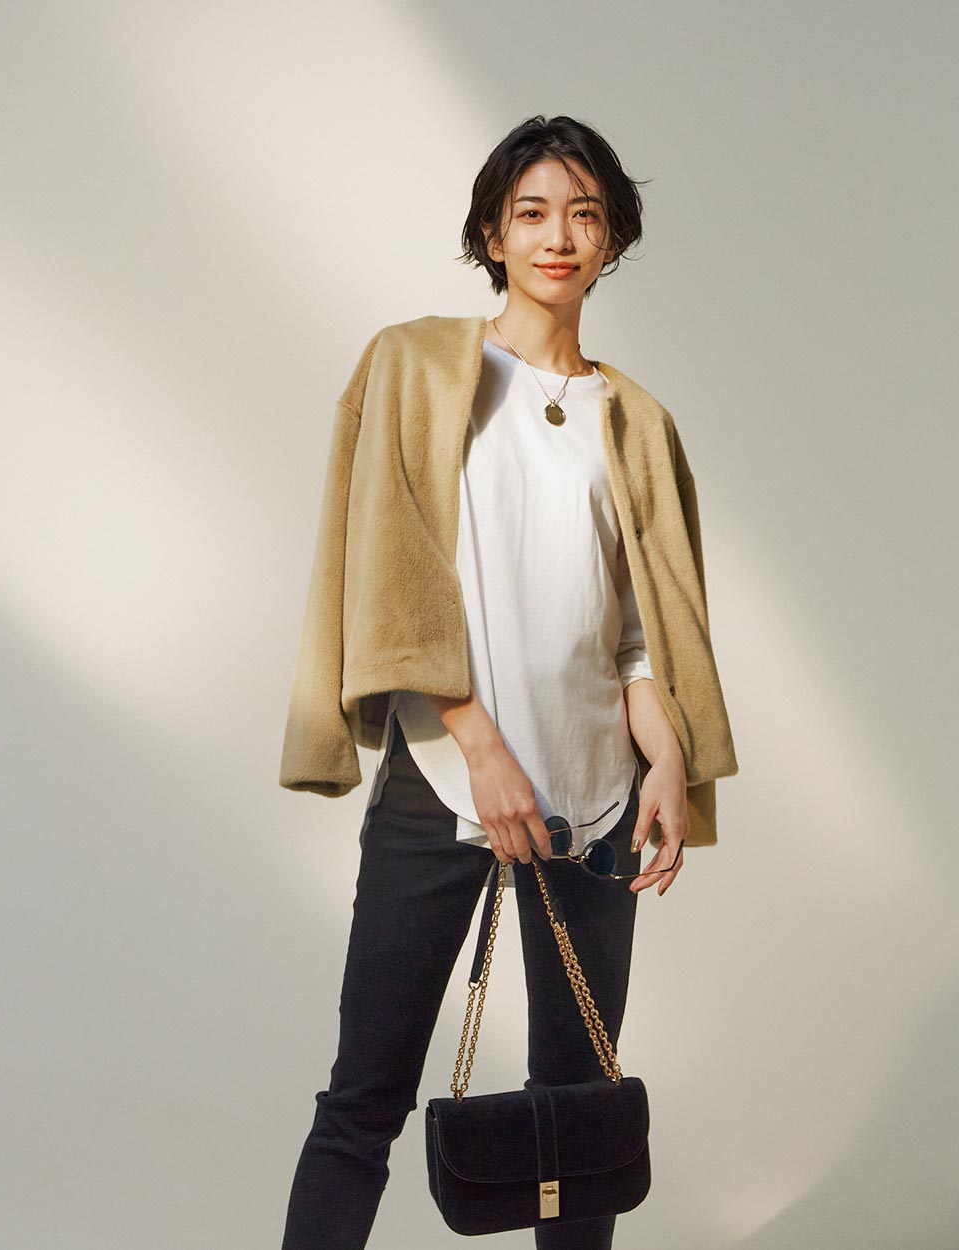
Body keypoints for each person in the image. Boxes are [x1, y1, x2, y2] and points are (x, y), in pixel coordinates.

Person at [277, 114, 738, 1250]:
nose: (557, 237)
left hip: (596, 800)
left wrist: (667, 760)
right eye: (532, 213)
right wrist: (479, 747)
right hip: (445, 781)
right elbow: (392, 577)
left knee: (577, 1120)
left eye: (584, 215)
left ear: (612, 240)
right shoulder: (417, 366)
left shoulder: (633, 420)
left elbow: (640, 637)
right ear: (492, 233)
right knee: (362, 1102)